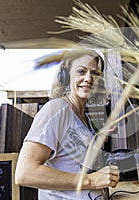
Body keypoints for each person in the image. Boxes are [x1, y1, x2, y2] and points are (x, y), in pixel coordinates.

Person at [15, 46, 120, 200]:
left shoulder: (83, 116)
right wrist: (91, 180)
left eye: (95, 73)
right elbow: (25, 173)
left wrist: (98, 139)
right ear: (66, 76)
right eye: (81, 71)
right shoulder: (56, 110)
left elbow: (71, 161)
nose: (89, 78)